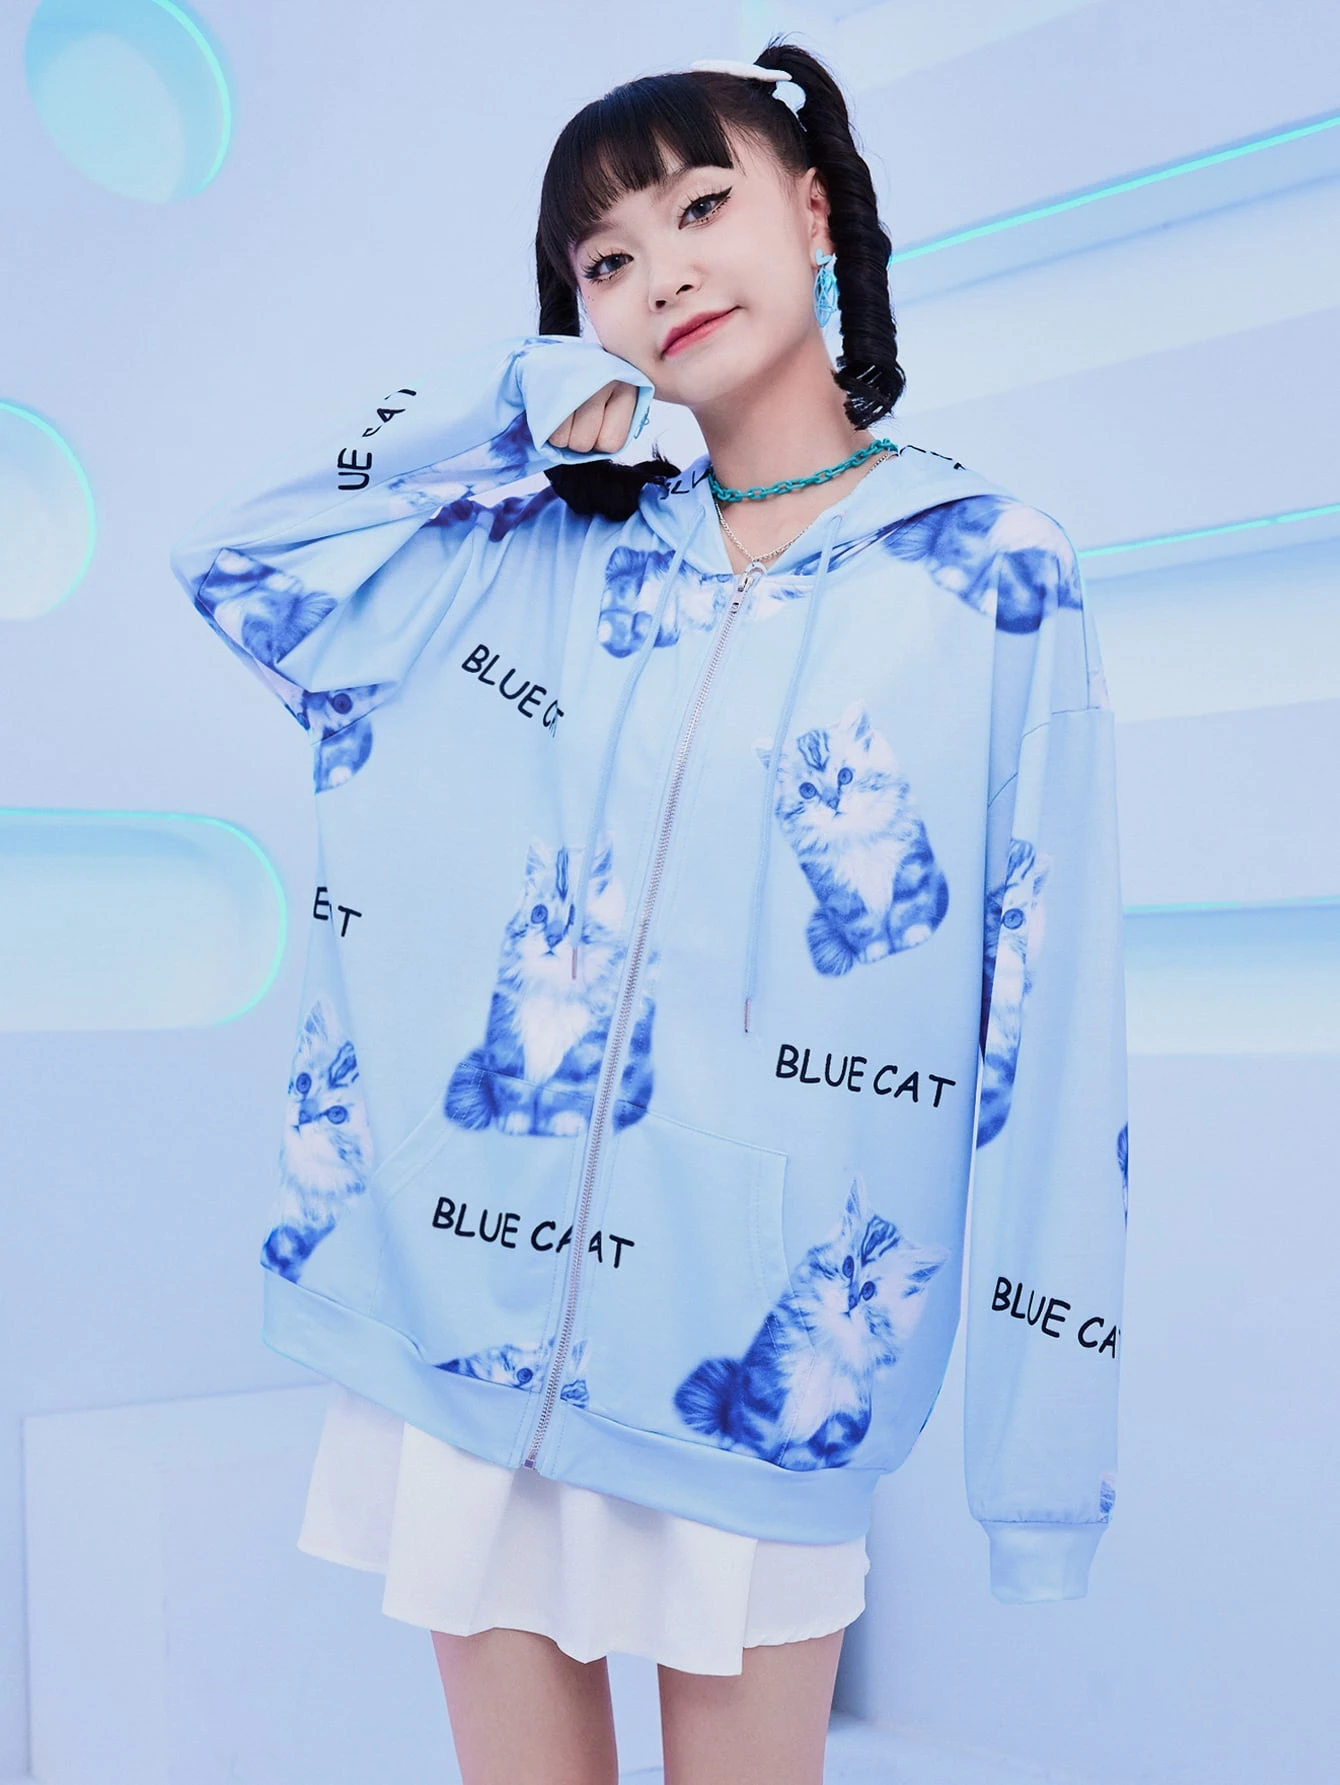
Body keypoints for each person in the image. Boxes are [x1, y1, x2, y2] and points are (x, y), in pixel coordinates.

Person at [168, 37, 1129, 1785]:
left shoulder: (989, 571)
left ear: (815, 212)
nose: (662, 270)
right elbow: (240, 560)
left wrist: (1040, 1473)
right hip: (461, 1328)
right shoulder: (528, 550)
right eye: (605, 258)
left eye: (701, 207)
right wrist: (501, 406)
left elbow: (1051, 1029)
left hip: (761, 1366)